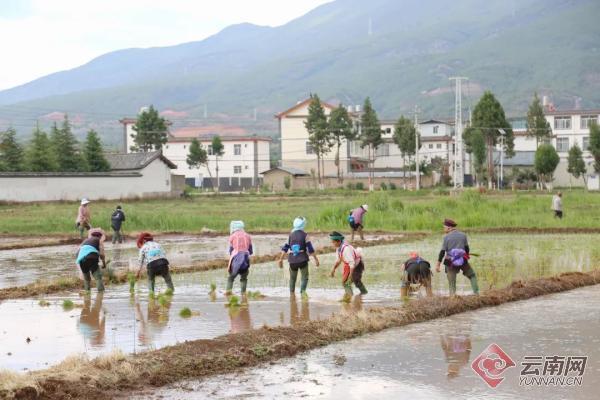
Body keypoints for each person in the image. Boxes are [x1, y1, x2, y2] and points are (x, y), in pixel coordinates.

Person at [435, 219, 479, 296]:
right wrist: (466, 256)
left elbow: (442, 252)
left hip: (450, 262)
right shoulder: (463, 235)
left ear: (449, 228)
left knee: (452, 282)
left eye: (444, 227)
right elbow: (467, 249)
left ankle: (452, 296)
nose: (443, 229)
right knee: (472, 275)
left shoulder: (446, 237)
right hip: (462, 260)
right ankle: (476, 293)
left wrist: (438, 264)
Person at [278, 217, 320, 295]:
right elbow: (310, 249)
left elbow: (285, 248)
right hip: (303, 260)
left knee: (292, 279)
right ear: (303, 225)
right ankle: (302, 293)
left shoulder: (290, 235)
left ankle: (292, 294)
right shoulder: (305, 235)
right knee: (304, 278)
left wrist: (280, 259)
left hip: (292, 261)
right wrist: (316, 259)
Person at [330, 231, 368, 297]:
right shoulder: (338, 248)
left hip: (357, 264)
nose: (332, 243)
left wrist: (350, 276)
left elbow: (352, 264)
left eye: (333, 242)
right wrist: (333, 269)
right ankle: (350, 296)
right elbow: (338, 260)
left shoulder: (346, 249)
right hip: (348, 264)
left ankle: (358, 294)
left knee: (353, 281)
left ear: (339, 241)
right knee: (345, 282)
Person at [226, 221, 253, 295]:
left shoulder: (232, 236)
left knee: (231, 278)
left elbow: (231, 250)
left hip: (236, 260)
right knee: (244, 278)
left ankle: (228, 293)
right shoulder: (247, 236)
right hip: (246, 259)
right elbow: (250, 250)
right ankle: (243, 294)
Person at [75, 228, 106, 292]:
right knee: (98, 277)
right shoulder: (99, 240)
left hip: (81, 259)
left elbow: (77, 253)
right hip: (92, 257)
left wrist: (80, 261)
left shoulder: (85, 241)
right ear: (100, 236)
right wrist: (104, 263)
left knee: (86, 279)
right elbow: (102, 254)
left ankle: (87, 293)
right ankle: (101, 293)